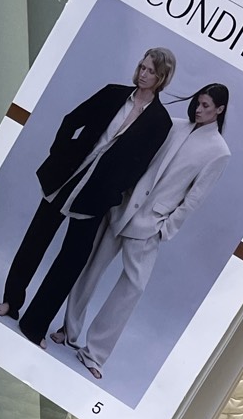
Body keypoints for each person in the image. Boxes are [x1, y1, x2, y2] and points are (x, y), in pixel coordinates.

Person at [54, 83, 232, 382]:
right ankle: (68, 330)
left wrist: (165, 229)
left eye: (206, 105)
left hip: (152, 224)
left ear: (220, 109)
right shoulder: (174, 126)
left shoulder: (219, 152)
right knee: (91, 268)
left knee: (132, 288)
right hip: (122, 208)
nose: (199, 109)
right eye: (198, 102)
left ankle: (95, 353)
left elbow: (194, 199)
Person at [11, 47, 177, 346]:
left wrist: (112, 192)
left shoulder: (160, 121)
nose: (143, 73)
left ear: (162, 77)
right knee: (34, 241)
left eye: (151, 71)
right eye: (142, 67)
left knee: (71, 262)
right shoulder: (114, 92)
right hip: (65, 179)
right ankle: (11, 302)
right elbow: (71, 120)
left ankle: (35, 325)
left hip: (96, 196)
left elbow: (138, 166)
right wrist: (60, 154)